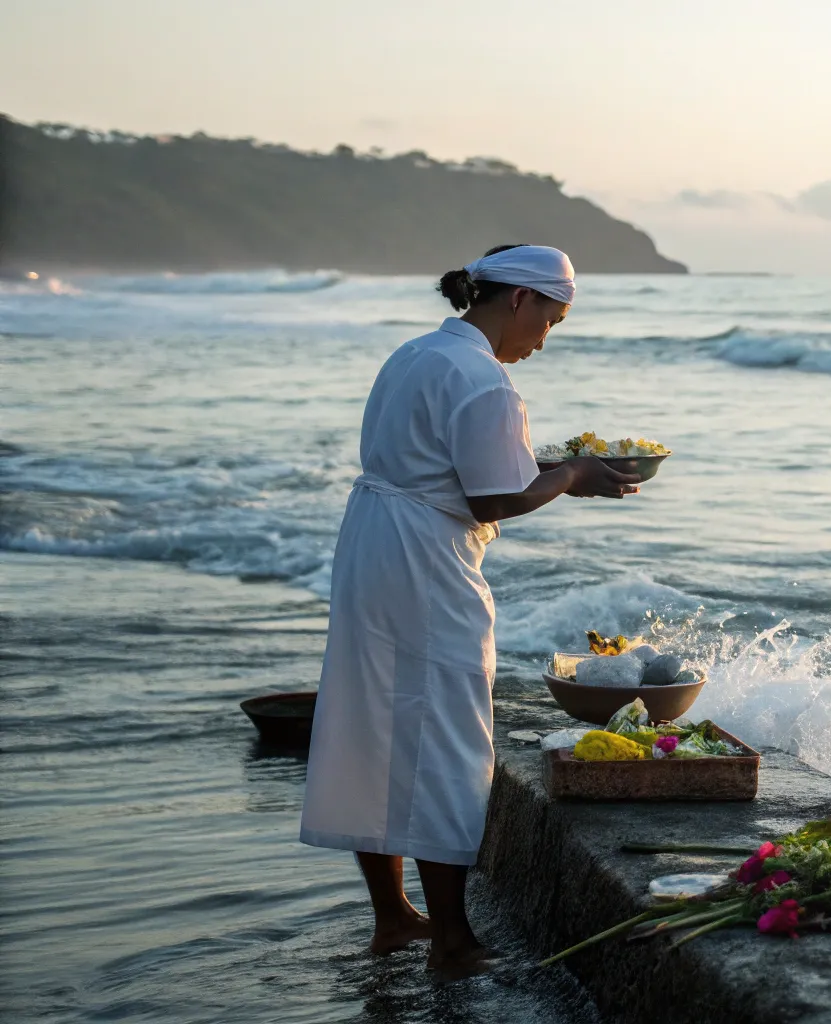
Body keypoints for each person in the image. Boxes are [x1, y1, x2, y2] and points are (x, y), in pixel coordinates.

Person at [299, 244, 637, 976]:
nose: (544, 340)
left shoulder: (416, 354)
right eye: (550, 320)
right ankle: (453, 942)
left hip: (373, 546)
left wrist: (554, 468)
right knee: (446, 736)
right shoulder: (485, 381)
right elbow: (493, 498)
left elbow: (445, 463)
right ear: (519, 300)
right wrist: (573, 475)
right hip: (425, 562)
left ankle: (395, 918)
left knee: (376, 722)